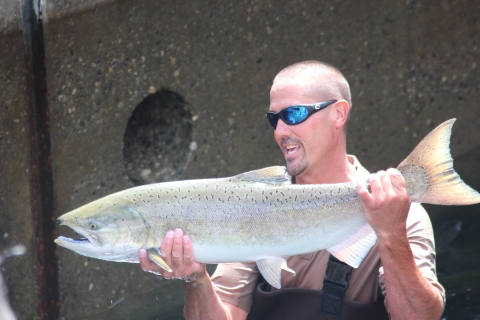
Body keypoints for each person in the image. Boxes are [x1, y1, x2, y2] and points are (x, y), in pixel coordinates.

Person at [138, 60, 445, 319]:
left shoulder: (399, 212)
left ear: (339, 114)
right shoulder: (253, 205)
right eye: (274, 119)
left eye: (294, 114)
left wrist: (391, 234)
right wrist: (195, 277)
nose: (281, 131)